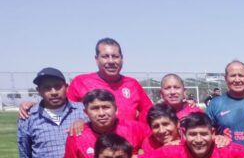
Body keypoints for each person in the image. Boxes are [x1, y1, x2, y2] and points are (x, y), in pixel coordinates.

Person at [18, 38, 152, 121]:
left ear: (121, 58)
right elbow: (60, 105)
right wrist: (36, 105)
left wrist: (139, 135)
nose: (111, 61)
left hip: (125, 150)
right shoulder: (81, 82)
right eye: (105, 56)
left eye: (115, 56)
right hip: (91, 150)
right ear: (96, 59)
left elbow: (148, 113)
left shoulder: (132, 84)